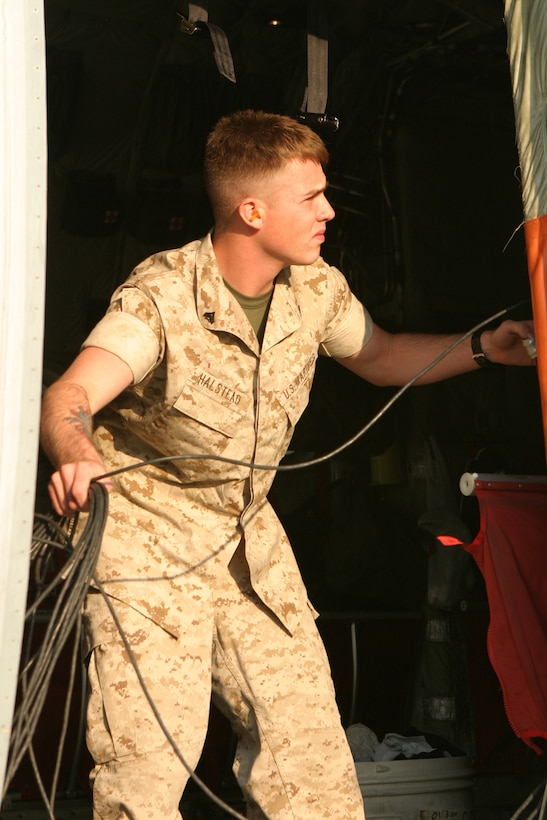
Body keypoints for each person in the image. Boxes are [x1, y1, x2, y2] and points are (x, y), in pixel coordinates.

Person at [40, 109, 535, 820]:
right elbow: (71, 396)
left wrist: (485, 348)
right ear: (251, 210)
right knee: (144, 772)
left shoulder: (315, 288)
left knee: (310, 764)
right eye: (310, 198)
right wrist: (78, 459)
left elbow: (380, 356)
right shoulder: (163, 296)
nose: (328, 211)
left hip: (245, 535)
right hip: (146, 537)